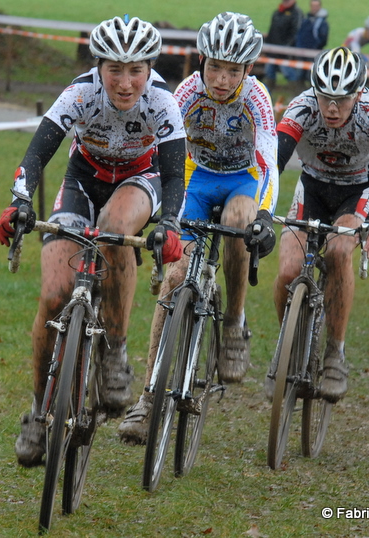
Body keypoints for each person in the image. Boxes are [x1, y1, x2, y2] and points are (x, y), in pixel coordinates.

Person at [0, 16, 187, 467]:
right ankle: (40, 410)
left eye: (136, 70)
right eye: (114, 70)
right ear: (98, 66)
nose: (125, 83)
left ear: (150, 69)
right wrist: (19, 202)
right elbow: (37, 153)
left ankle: (115, 352)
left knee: (117, 227)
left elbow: (176, 173)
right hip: (83, 178)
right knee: (53, 295)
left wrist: (171, 225)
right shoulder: (80, 92)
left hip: (141, 180)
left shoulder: (162, 101)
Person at [118, 12, 279, 445]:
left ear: (248, 70)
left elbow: (268, 159)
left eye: (233, 70)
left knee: (238, 222)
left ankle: (233, 322)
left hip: (243, 180)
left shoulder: (258, 99)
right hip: (196, 177)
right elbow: (158, 149)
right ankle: (149, 398)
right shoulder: (187, 92)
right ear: (201, 60)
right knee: (173, 278)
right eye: (214, 67)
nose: (222, 79)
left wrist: (264, 214)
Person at [267, 46, 369, 403]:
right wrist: (262, 208)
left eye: (341, 99)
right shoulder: (302, 107)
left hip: (356, 191)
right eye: (325, 98)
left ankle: (335, 353)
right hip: (312, 187)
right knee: (289, 269)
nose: (332, 108)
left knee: (339, 252)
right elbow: (275, 159)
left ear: (358, 93)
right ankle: (287, 345)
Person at [263, 0, 304, 91]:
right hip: (272, 50)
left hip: (285, 52)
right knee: (269, 73)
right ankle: (268, 96)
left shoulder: (296, 13)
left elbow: (296, 33)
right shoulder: (278, 12)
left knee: (289, 73)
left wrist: (286, 47)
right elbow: (272, 30)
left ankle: (295, 94)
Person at [294, 0, 329, 84]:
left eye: (316, 6)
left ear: (320, 7)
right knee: (299, 74)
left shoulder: (322, 23)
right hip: (302, 51)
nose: (314, 8)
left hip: (313, 53)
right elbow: (300, 34)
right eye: (313, 6)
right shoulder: (306, 20)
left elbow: (323, 38)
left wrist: (315, 47)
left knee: (310, 75)